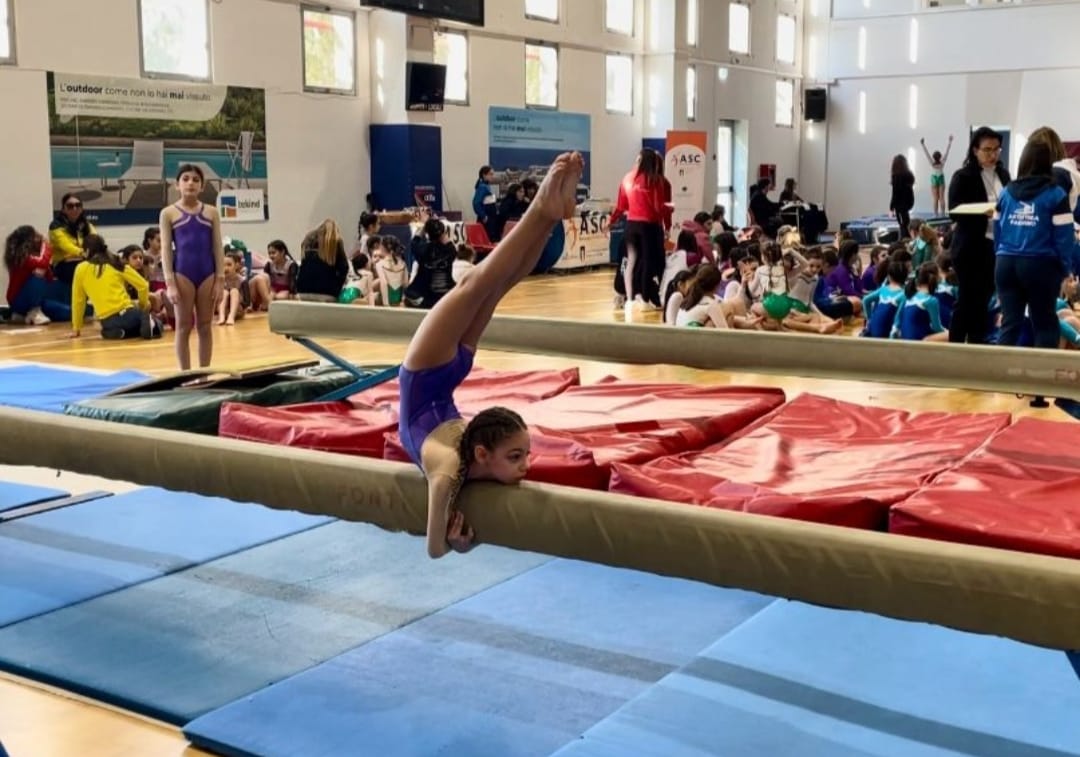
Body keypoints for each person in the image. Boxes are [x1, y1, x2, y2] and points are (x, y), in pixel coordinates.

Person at [399, 151, 584, 558]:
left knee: (480, 282)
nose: (526, 466)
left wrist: (453, 542)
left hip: (423, 371)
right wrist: (461, 543)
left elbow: (434, 547)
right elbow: (440, 547)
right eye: (518, 456)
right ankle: (549, 214)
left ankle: (544, 209)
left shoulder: (449, 470)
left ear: (481, 454)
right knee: (500, 282)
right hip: (449, 379)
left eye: (521, 456)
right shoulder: (458, 467)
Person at [993, 140, 1076, 349]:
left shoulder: (1005, 193)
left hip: (1005, 264)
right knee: (1045, 325)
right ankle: (1041, 380)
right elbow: (1064, 238)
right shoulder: (1056, 194)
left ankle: (998, 376)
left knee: (1009, 325)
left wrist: (1000, 256)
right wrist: (1064, 269)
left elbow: (997, 230)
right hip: (1040, 265)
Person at [947, 126, 1010, 344]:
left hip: (995, 246)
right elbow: (954, 211)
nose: (992, 155)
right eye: (987, 150)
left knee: (984, 301)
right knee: (966, 300)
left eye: (996, 150)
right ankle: (954, 348)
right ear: (975, 150)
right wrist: (981, 212)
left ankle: (976, 346)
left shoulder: (1003, 174)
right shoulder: (963, 176)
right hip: (970, 247)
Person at [159, 164, 224, 369]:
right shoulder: (168, 213)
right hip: (182, 274)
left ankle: (204, 372)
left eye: (196, 180)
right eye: (185, 179)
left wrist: (220, 280)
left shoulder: (212, 212)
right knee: (183, 327)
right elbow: (166, 249)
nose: (191, 183)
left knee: (205, 327)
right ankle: (185, 374)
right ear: (177, 185)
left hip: (207, 274)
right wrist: (169, 282)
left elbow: (217, 246)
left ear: (202, 186)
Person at [609, 148, 672, 316]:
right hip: (649, 226)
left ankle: (631, 297)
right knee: (646, 263)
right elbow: (658, 208)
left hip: (631, 225)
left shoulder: (628, 178)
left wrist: (610, 222)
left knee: (631, 262)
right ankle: (642, 298)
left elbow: (621, 206)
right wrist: (669, 214)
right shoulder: (656, 181)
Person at [69, 235, 159, 341]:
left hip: (106, 321)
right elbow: (143, 285)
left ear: (87, 251)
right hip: (127, 313)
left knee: (113, 329)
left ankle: (118, 333)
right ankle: (149, 323)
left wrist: (76, 328)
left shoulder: (80, 269)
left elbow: (78, 300)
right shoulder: (116, 263)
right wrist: (143, 306)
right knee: (156, 324)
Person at [4, 225, 69, 324]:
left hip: (37, 301)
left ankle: (22, 315)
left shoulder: (33, 257)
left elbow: (49, 279)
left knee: (68, 312)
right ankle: (32, 313)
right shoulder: (22, 258)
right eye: (35, 236)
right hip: (18, 301)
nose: (39, 237)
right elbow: (42, 263)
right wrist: (46, 245)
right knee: (38, 274)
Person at [296, 219, 350, 303]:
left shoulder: (307, 241)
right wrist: (337, 287)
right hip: (327, 292)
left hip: (302, 291)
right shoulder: (335, 241)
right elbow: (344, 268)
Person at [48, 193, 97, 285]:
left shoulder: (85, 224)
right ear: (63, 209)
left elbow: (95, 240)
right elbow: (66, 246)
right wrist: (83, 253)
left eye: (78, 205)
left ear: (81, 208)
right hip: (63, 265)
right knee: (82, 269)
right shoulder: (56, 226)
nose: (75, 209)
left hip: (81, 260)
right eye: (70, 206)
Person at [920, 135, 954, 216]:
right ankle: (942, 213)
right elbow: (947, 152)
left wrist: (923, 144)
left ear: (933, 157)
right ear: (940, 156)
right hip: (941, 178)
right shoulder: (942, 162)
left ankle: (935, 214)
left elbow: (926, 153)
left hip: (934, 178)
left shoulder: (932, 162)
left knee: (935, 198)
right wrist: (950, 142)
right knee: (941, 197)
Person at [889, 154, 916, 239]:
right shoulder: (909, 175)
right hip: (909, 202)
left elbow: (895, 193)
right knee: (905, 222)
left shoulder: (896, 176)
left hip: (900, 204)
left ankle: (905, 240)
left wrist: (891, 207)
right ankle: (907, 238)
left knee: (902, 224)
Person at [472, 165, 499, 243]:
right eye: (490, 174)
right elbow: (476, 203)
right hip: (487, 220)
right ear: (484, 175)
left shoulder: (486, 186)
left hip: (490, 219)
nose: (492, 176)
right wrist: (484, 216)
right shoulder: (482, 187)